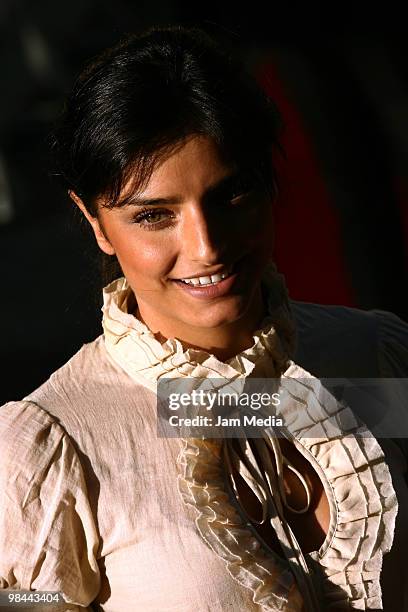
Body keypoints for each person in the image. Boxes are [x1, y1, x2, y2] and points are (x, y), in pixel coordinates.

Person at [1, 24, 408, 612]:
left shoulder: (377, 356)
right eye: (154, 216)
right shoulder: (58, 447)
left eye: (231, 194)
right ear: (94, 222)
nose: (207, 246)